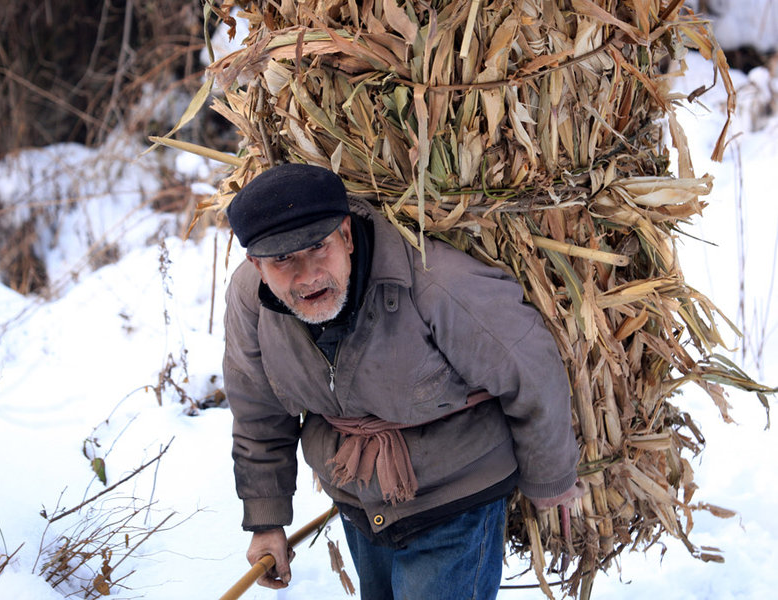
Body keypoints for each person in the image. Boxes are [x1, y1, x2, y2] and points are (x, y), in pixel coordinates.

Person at [222, 163, 582, 599]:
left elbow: (530, 366)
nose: (307, 274)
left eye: (319, 246)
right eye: (282, 259)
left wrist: (550, 478)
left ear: (346, 236)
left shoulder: (436, 285)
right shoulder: (251, 304)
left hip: (455, 497)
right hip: (357, 498)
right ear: (256, 264)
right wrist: (266, 520)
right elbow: (257, 409)